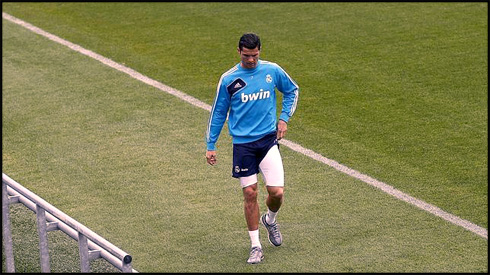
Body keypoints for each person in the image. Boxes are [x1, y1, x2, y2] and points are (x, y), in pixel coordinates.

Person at [205, 33, 299, 264]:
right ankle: (256, 246)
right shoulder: (229, 79)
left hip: (267, 141)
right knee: (250, 193)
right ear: (238, 52)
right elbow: (218, 112)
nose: (251, 60)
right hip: (243, 145)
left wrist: (284, 118)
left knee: (277, 193)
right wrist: (211, 144)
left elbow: (292, 90)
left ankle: (270, 219)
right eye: (247, 56)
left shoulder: (272, 70)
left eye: (255, 55)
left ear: (260, 51)